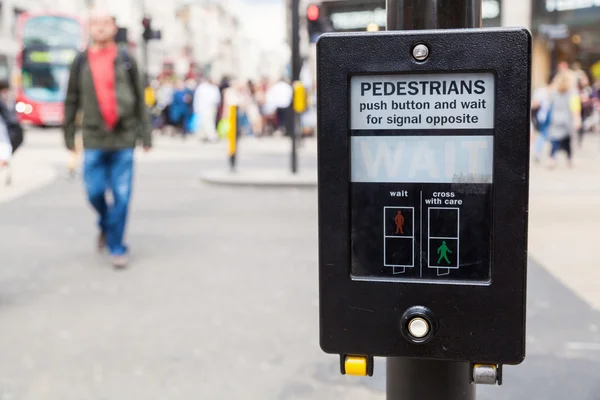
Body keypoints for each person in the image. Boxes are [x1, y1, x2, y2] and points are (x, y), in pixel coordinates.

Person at [63, 9, 151, 268]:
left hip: (124, 137)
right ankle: (105, 222)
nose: (100, 28)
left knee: (122, 196)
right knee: (94, 192)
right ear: (89, 29)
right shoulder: (80, 61)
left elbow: (140, 98)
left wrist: (146, 135)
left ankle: (117, 246)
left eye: (105, 23)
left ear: (114, 28)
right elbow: (71, 100)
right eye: (95, 23)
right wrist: (68, 134)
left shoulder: (127, 59)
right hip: (93, 136)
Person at [547, 72, 581, 169]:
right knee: (567, 141)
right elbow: (575, 109)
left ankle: (552, 159)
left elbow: (549, 101)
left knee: (554, 141)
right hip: (567, 120)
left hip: (555, 119)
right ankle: (569, 159)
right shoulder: (573, 93)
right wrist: (577, 120)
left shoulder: (554, 92)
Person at [193, 76, 221, 142]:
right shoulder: (201, 87)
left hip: (211, 108)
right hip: (202, 108)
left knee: (210, 122)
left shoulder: (214, 87)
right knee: (203, 122)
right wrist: (196, 108)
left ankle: (212, 136)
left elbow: (217, 99)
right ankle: (204, 135)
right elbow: (197, 98)